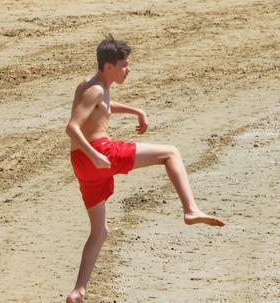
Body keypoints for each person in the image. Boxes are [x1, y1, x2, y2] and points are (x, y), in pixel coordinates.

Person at [65, 36, 224, 303]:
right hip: (98, 153)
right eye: (124, 65)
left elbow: (101, 108)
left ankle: (78, 291)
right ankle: (191, 209)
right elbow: (72, 127)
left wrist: (135, 110)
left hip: (82, 165)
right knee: (170, 152)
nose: (128, 69)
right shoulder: (95, 90)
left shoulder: (91, 85)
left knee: (99, 231)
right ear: (108, 67)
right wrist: (95, 155)